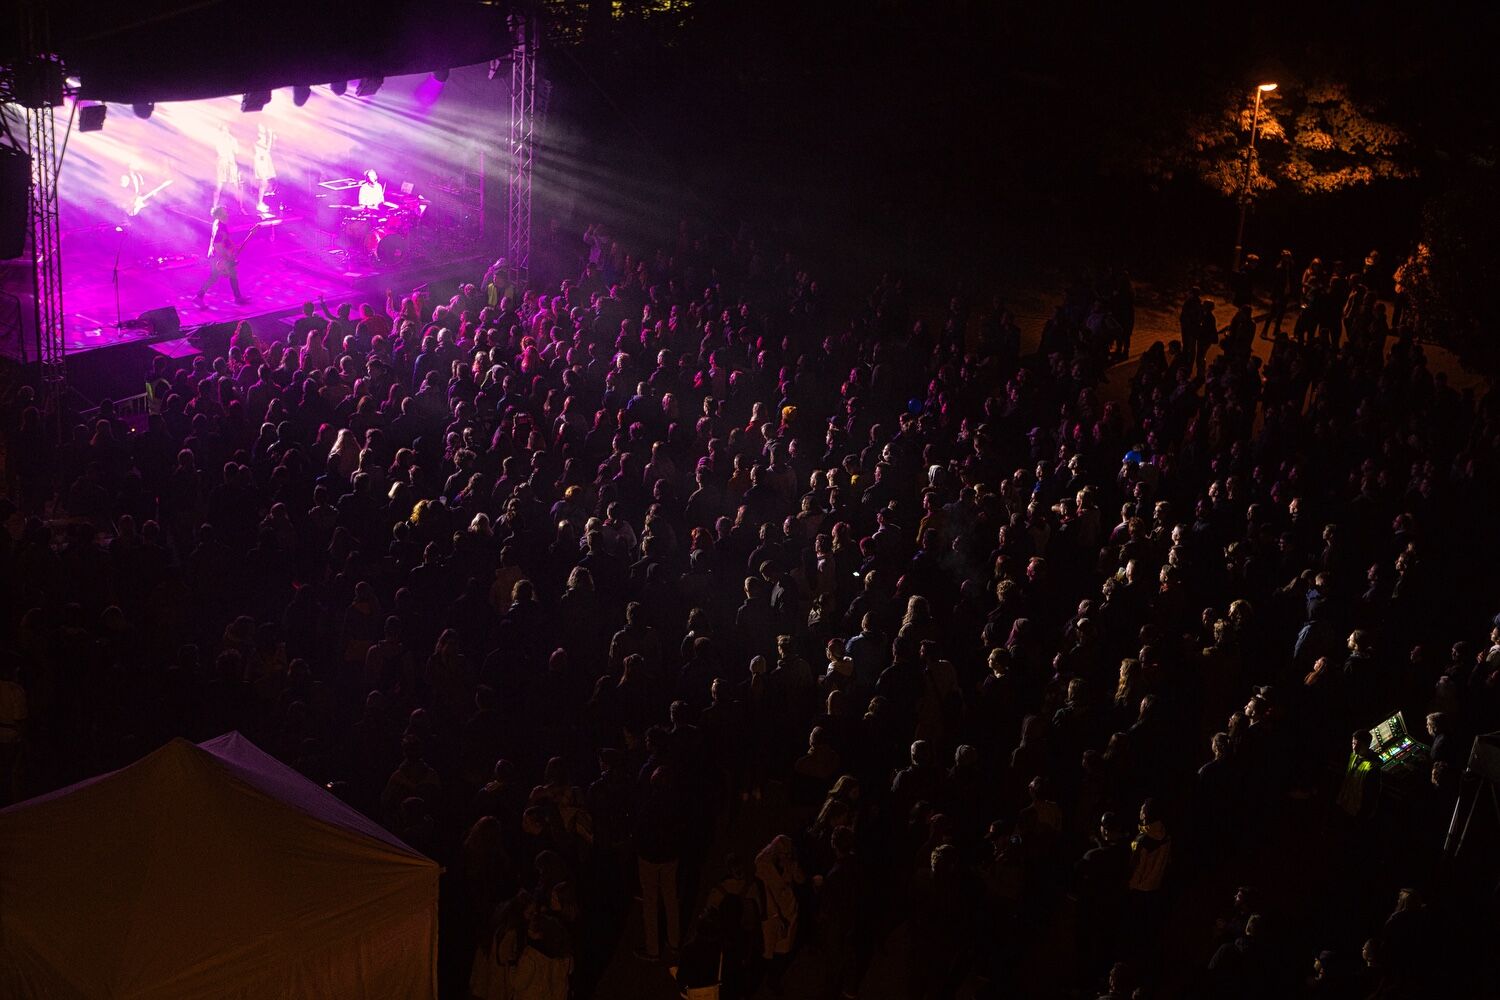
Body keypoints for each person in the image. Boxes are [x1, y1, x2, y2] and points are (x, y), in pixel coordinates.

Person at [195, 212, 249, 306]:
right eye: (224, 214)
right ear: (218, 216)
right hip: (219, 257)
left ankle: (238, 297)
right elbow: (217, 245)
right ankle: (199, 297)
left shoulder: (218, 223)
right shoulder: (221, 227)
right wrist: (226, 258)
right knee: (215, 277)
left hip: (218, 256)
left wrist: (233, 247)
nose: (227, 216)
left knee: (230, 275)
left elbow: (225, 240)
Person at [212, 123, 242, 211]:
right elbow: (220, 152)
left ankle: (239, 207)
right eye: (223, 130)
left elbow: (236, 151)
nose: (225, 132)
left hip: (231, 163)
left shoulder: (232, 140)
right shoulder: (218, 140)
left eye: (227, 130)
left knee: (236, 185)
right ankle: (214, 207)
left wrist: (233, 142)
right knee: (219, 185)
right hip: (222, 163)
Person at [253, 123, 277, 214]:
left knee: (265, 182)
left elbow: (268, 149)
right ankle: (259, 203)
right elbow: (266, 149)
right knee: (263, 182)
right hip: (260, 161)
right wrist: (270, 136)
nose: (262, 132)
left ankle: (260, 202)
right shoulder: (257, 141)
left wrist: (270, 136)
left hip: (264, 161)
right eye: (260, 130)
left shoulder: (262, 139)